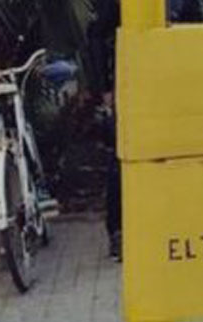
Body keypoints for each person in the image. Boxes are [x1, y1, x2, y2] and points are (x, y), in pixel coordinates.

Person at [88, 0, 122, 261]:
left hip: (166, 81)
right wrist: (104, 89)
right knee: (120, 161)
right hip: (127, 82)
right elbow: (96, 34)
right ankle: (118, 231)